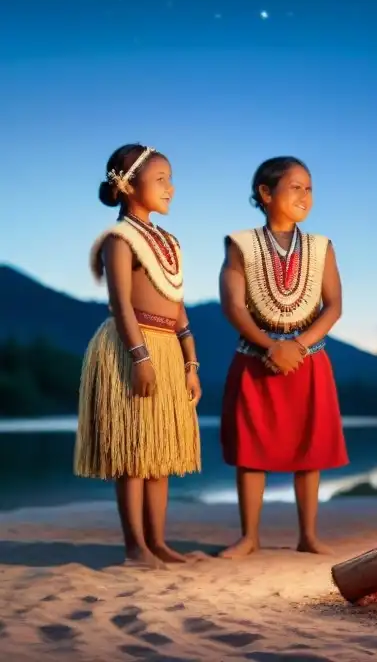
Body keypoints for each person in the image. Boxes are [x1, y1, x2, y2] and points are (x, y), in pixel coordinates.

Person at [74, 143, 202, 569]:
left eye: (171, 179)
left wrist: (191, 360)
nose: (171, 188)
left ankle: (158, 542)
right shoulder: (119, 238)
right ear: (128, 185)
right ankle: (135, 547)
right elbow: (122, 303)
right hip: (132, 347)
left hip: (167, 346)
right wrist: (140, 357)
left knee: (159, 452)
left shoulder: (169, 241)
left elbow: (177, 303)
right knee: (133, 453)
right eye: (161, 179)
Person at [219, 156, 348, 558]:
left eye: (309, 188)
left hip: (308, 359)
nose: (305, 196)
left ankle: (308, 535)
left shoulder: (321, 246)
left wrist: (300, 346)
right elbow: (234, 307)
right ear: (265, 193)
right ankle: (249, 536)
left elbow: (334, 306)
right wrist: (270, 345)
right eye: (295, 187)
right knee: (251, 448)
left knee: (309, 450)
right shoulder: (239, 243)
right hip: (257, 357)